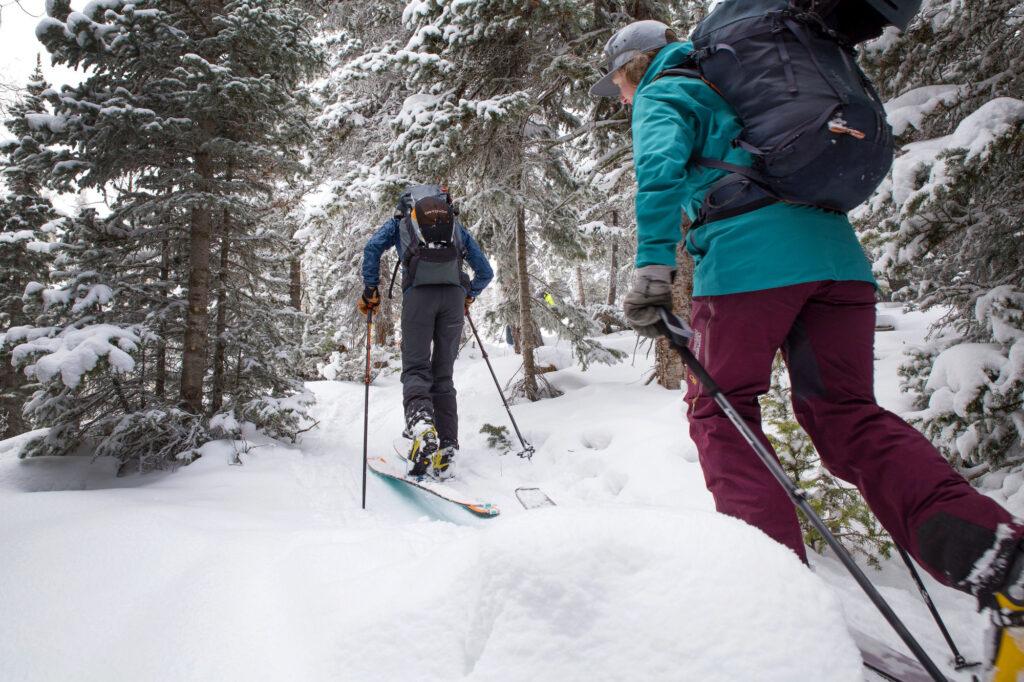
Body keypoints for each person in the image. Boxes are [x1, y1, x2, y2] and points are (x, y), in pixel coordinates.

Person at [590, 16, 1024, 675]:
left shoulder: (664, 84)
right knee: (848, 418)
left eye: (617, 86)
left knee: (720, 412)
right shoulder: (739, 73)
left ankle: (776, 609)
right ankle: (994, 554)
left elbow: (658, 167)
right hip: (837, 262)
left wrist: (653, 270)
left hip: (745, 264)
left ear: (630, 69)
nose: (621, 98)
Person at [359, 184, 494, 480]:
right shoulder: (454, 227)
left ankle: (421, 425)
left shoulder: (401, 222)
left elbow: (372, 248)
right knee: (443, 375)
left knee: (417, 369)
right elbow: (485, 271)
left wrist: (371, 289)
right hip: (453, 300)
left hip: (419, 297)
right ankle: (446, 446)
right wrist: (468, 294)